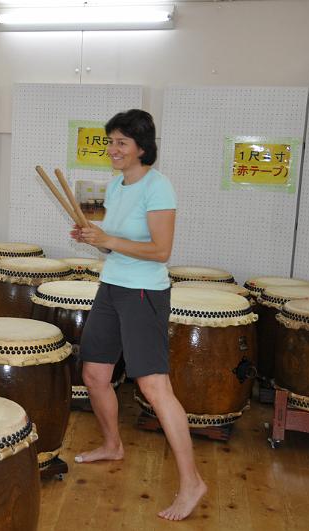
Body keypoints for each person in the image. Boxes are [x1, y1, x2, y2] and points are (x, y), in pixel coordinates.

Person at [71, 109, 207, 520]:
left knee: (154, 387)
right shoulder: (116, 186)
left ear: (141, 148)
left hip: (145, 292)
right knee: (94, 374)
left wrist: (108, 237)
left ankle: (192, 483)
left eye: (121, 142)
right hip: (113, 286)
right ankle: (112, 444)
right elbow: (116, 247)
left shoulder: (158, 186)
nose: (112, 149)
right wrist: (95, 240)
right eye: (110, 141)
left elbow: (161, 251)